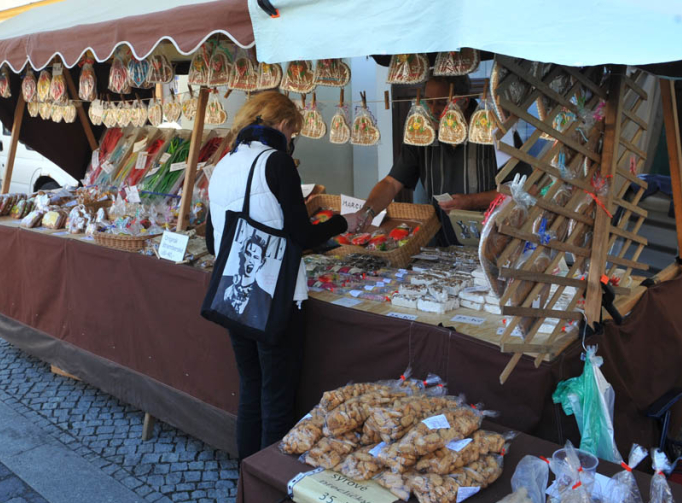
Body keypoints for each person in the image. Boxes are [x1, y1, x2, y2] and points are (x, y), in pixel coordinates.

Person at [205, 91, 359, 460]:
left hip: (232, 293)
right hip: (275, 295)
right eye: (294, 132)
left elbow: (213, 241)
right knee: (277, 398)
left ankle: (249, 479)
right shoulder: (277, 162)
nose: (293, 141)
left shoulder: (225, 163)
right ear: (282, 124)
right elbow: (302, 236)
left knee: (251, 390)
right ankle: (271, 486)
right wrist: (343, 223)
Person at [347, 75, 502, 242]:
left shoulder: (492, 130)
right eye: (428, 102)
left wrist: (472, 201)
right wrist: (367, 212)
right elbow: (392, 183)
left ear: (463, 101)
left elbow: (520, 191)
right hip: (441, 242)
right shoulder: (422, 133)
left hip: (491, 240)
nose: (433, 110)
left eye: (442, 103)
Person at [215, 232, 273, 329]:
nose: (251, 260)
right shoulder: (224, 281)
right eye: (248, 254)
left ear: (261, 263)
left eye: (256, 257)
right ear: (242, 254)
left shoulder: (265, 297)